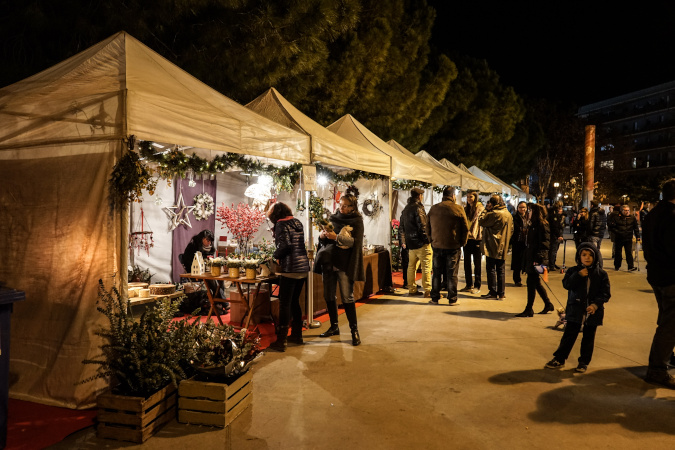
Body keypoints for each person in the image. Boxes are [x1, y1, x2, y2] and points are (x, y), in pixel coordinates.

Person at [544, 243, 610, 372]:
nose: (587, 257)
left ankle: (583, 362)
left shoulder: (601, 274)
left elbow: (605, 293)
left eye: (591, 255)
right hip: (575, 310)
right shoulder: (573, 271)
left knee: (588, 338)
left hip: (593, 313)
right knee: (569, 335)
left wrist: (595, 305)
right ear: (579, 257)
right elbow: (567, 285)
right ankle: (559, 358)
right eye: (584, 255)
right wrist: (578, 275)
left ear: (596, 257)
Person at [315, 192, 364, 346]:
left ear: (352, 207)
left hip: (344, 264)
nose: (341, 208)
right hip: (329, 263)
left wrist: (335, 237)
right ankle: (334, 327)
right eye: (340, 204)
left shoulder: (357, 221)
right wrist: (322, 236)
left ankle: (354, 331)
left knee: (347, 297)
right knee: (328, 296)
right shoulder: (333, 218)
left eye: (345, 205)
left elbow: (355, 243)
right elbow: (324, 239)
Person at [643, 179, 675, 388]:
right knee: (669, 324)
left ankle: (665, 356)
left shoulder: (653, 214)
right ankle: (657, 368)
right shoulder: (671, 216)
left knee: (666, 319)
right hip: (670, 277)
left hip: (656, 275)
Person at [267, 202, 310, 352]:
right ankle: (297, 335)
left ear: (276, 214)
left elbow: (285, 246)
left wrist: (274, 256)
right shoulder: (297, 222)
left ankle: (282, 340)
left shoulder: (281, 224)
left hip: (290, 268)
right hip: (303, 267)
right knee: (294, 302)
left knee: (284, 303)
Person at [427, 187, 469, 305]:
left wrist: (431, 239)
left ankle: (435, 298)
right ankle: (452, 299)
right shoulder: (458, 208)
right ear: (453, 196)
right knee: (452, 274)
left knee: (436, 273)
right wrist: (462, 242)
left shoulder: (434, 208)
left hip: (437, 245)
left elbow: (427, 226)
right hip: (453, 246)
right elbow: (465, 228)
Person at [515, 203, 553, 317]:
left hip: (536, 259)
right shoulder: (534, 224)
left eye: (529, 210)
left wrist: (538, 259)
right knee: (535, 282)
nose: (527, 212)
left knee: (531, 283)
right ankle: (547, 304)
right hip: (532, 257)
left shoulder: (542, 224)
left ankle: (529, 309)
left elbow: (545, 244)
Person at [183, 230, 229, 312]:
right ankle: (224, 303)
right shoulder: (193, 246)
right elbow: (188, 262)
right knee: (212, 280)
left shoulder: (209, 248)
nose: (209, 242)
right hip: (194, 272)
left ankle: (218, 304)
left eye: (211, 241)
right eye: (207, 240)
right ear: (202, 238)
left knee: (220, 279)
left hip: (207, 271)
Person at [479, 195, 513, 300]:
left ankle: (493, 292)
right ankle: (501, 293)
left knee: (491, 269)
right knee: (501, 269)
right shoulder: (508, 214)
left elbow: (481, 221)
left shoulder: (494, 214)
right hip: (504, 244)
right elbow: (512, 230)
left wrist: (485, 209)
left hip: (492, 244)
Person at [399, 187, 432, 297]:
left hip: (411, 244)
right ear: (419, 196)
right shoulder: (418, 208)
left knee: (411, 267)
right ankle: (428, 290)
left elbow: (402, 227)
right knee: (426, 266)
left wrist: (405, 241)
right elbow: (423, 227)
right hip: (421, 243)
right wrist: (427, 241)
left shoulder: (405, 209)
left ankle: (412, 289)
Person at [460, 192, 484, 294]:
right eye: (468, 197)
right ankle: (468, 284)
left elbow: (480, 224)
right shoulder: (466, 209)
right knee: (466, 263)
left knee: (477, 263)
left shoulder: (480, 209)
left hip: (477, 238)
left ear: (475, 197)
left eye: (471, 196)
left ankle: (477, 285)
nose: (469, 198)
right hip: (467, 238)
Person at [608, 204, 640, 271]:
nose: (627, 212)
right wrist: (618, 232)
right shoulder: (616, 218)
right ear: (621, 211)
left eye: (628, 210)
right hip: (619, 238)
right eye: (625, 210)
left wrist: (638, 236)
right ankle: (617, 265)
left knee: (629, 252)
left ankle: (630, 266)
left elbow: (635, 228)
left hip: (628, 238)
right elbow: (611, 227)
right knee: (618, 253)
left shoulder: (632, 218)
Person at [510, 201, 528, 287]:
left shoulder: (527, 217)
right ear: (518, 208)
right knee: (517, 262)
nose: (522, 209)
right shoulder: (514, 217)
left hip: (525, 242)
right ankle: (517, 280)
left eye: (524, 207)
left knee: (524, 261)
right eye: (521, 207)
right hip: (517, 242)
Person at [548, 201, 566, 270]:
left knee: (555, 250)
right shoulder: (553, 215)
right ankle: (551, 264)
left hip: (558, 234)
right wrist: (559, 235)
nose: (561, 209)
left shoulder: (559, 215)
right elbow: (554, 226)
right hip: (554, 235)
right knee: (553, 250)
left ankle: (553, 263)